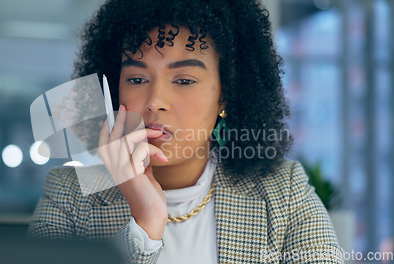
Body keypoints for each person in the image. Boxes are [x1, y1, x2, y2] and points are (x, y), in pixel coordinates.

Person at [28, 0, 344, 263]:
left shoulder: (283, 193)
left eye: (184, 80)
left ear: (226, 95)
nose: (155, 102)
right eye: (137, 79)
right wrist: (145, 223)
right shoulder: (69, 195)